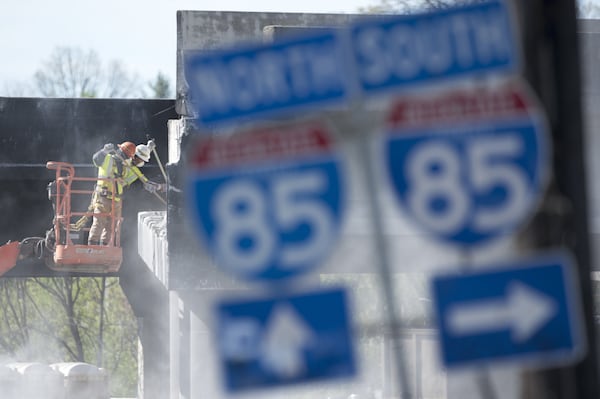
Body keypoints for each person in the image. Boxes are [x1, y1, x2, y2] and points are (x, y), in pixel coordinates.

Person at [87, 140, 164, 246]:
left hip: (116, 199)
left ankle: (104, 248)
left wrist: (148, 149)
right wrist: (104, 151)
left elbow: (140, 175)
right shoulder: (108, 159)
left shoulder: (127, 167)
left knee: (111, 226)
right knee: (99, 222)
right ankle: (93, 248)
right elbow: (96, 160)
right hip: (103, 197)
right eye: (127, 155)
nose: (127, 157)